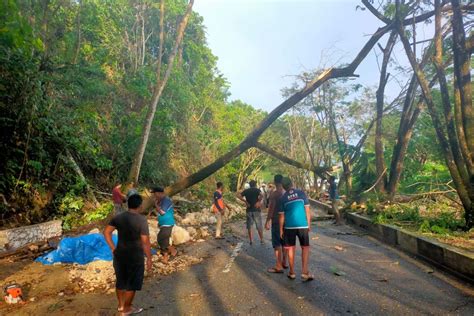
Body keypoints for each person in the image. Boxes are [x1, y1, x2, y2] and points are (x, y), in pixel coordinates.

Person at [104, 193, 152, 315]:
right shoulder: (141, 220)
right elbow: (145, 242)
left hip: (119, 255)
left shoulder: (119, 217)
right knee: (132, 284)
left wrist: (113, 248)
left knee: (120, 281)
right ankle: (127, 308)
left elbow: (106, 232)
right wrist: (149, 259)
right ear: (140, 206)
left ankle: (120, 306)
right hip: (135, 257)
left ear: (128, 204)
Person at [279, 177, 314, 281]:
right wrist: (308, 224)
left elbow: (281, 216)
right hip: (302, 225)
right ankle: (304, 272)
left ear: (283, 187)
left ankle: (292, 272)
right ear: (292, 183)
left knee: (291, 248)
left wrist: (281, 229)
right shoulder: (301, 193)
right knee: (305, 247)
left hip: (289, 226)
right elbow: (307, 210)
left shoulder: (283, 198)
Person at [265, 174, 288, 273]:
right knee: (285, 242)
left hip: (277, 221)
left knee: (277, 243)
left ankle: (279, 266)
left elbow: (271, 208)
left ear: (275, 182)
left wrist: (267, 220)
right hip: (287, 221)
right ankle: (285, 262)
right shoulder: (286, 193)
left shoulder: (275, 194)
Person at [151, 186, 177, 263]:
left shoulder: (166, 200)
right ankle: (171, 252)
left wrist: (156, 205)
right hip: (164, 224)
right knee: (163, 240)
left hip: (168, 223)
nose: (154, 195)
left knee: (161, 239)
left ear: (159, 193)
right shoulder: (162, 201)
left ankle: (169, 254)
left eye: (154, 193)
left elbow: (162, 212)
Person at [238, 180, 264, 245]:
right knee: (259, 225)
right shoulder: (257, 190)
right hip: (256, 210)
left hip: (249, 210)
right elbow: (262, 195)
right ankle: (261, 240)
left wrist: (246, 202)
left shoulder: (246, 191)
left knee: (250, 226)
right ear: (255, 184)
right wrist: (258, 202)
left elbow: (238, 195)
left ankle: (251, 240)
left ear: (250, 185)